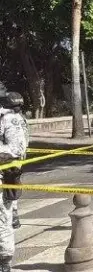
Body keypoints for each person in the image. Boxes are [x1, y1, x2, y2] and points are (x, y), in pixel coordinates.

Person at [0, 91, 28, 272]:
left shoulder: (3, 119)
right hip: (14, 170)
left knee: (2, 218)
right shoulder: (22, 120)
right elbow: (22, 147)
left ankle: (4, 261)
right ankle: (6, 260)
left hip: (4, 168)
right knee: (6, 216)